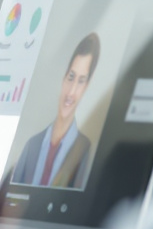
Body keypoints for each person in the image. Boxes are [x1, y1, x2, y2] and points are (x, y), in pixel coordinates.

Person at [9, 33, 101, 191]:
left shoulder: (84, 150)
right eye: (71, 77)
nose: (71, 92)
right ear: (63, 77)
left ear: (87, 86)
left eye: (81, 81)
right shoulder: (32, 145)